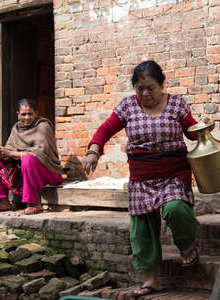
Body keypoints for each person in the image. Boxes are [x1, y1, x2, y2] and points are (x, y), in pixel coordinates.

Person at [83, 60, 201, 298]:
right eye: (140, 89)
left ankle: (187, 244)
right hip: (142, 177)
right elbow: (104, 130)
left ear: (162, 85)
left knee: (176, 209)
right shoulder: (128, 106)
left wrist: (206, 131)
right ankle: (151, 280)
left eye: (151, 88)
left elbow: (192, 130)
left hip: (173, 173)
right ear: (135, 88)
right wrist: (93, 151)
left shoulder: (176, 103)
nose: (145, 94)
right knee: (142, 230)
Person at [0, 98, 63, 215]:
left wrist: (11, 153)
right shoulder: (16, 128)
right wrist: (1, 154)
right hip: (23, 170)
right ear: (17, 114)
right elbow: (10, 150)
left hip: (48, 171)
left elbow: (39, 152)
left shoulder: (43, 126)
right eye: (23, 114)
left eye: (30, 114)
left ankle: (33, 203)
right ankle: (3, 202)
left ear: (36, 113)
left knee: (28, 158)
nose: (27, 117)